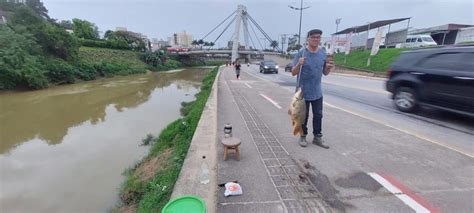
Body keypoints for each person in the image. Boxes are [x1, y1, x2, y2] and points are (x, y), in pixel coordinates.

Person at [291, 29, 335, 148]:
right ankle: (303, 136)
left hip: (317, 92)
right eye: (314, 37)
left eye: (318, 37)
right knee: (303, 116)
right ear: (308, 38)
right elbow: (293, 73)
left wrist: (329, 68)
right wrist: (299, 64)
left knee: (318, 115)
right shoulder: (301, 53)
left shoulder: (322, 54)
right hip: (303, 93)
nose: (316, 39)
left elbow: (324, 73)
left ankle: (317, 137)